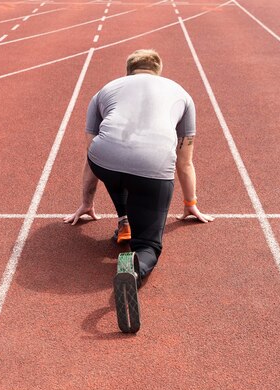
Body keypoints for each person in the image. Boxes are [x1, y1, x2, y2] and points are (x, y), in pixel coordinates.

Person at [64, 49, 213, 286]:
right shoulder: (182, 94)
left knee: (114, 168)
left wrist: (87, 203)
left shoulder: (105, 90)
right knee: (148, 245)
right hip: (152, 165)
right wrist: (190, 204)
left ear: (128, 72)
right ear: (159, 71)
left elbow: (90, 154)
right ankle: (135, 269)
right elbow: (185, 162)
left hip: (104, 159)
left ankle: (124, 220)